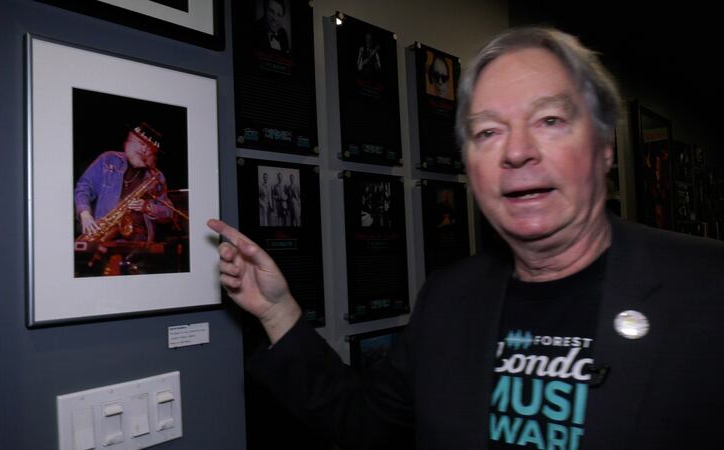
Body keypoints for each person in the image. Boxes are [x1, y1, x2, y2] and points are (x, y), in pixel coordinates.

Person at [208, 27, 724, 449]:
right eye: (488, 132)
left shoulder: (706, 287)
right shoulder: (449, 298)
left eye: (548, 120)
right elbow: (364, 424)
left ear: (604, 147)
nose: (516, 152)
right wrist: (277, 312)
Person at [74, 122, 173, 273]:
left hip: (140, 247)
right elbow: (83, 187)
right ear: (129, 141)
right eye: (141, 143)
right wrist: (85, 214)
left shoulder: (156, 177)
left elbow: (168, 212)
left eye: (149, 148)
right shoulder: (108, 160)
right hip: (104, 242)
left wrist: (147, 207)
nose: (144, 150)